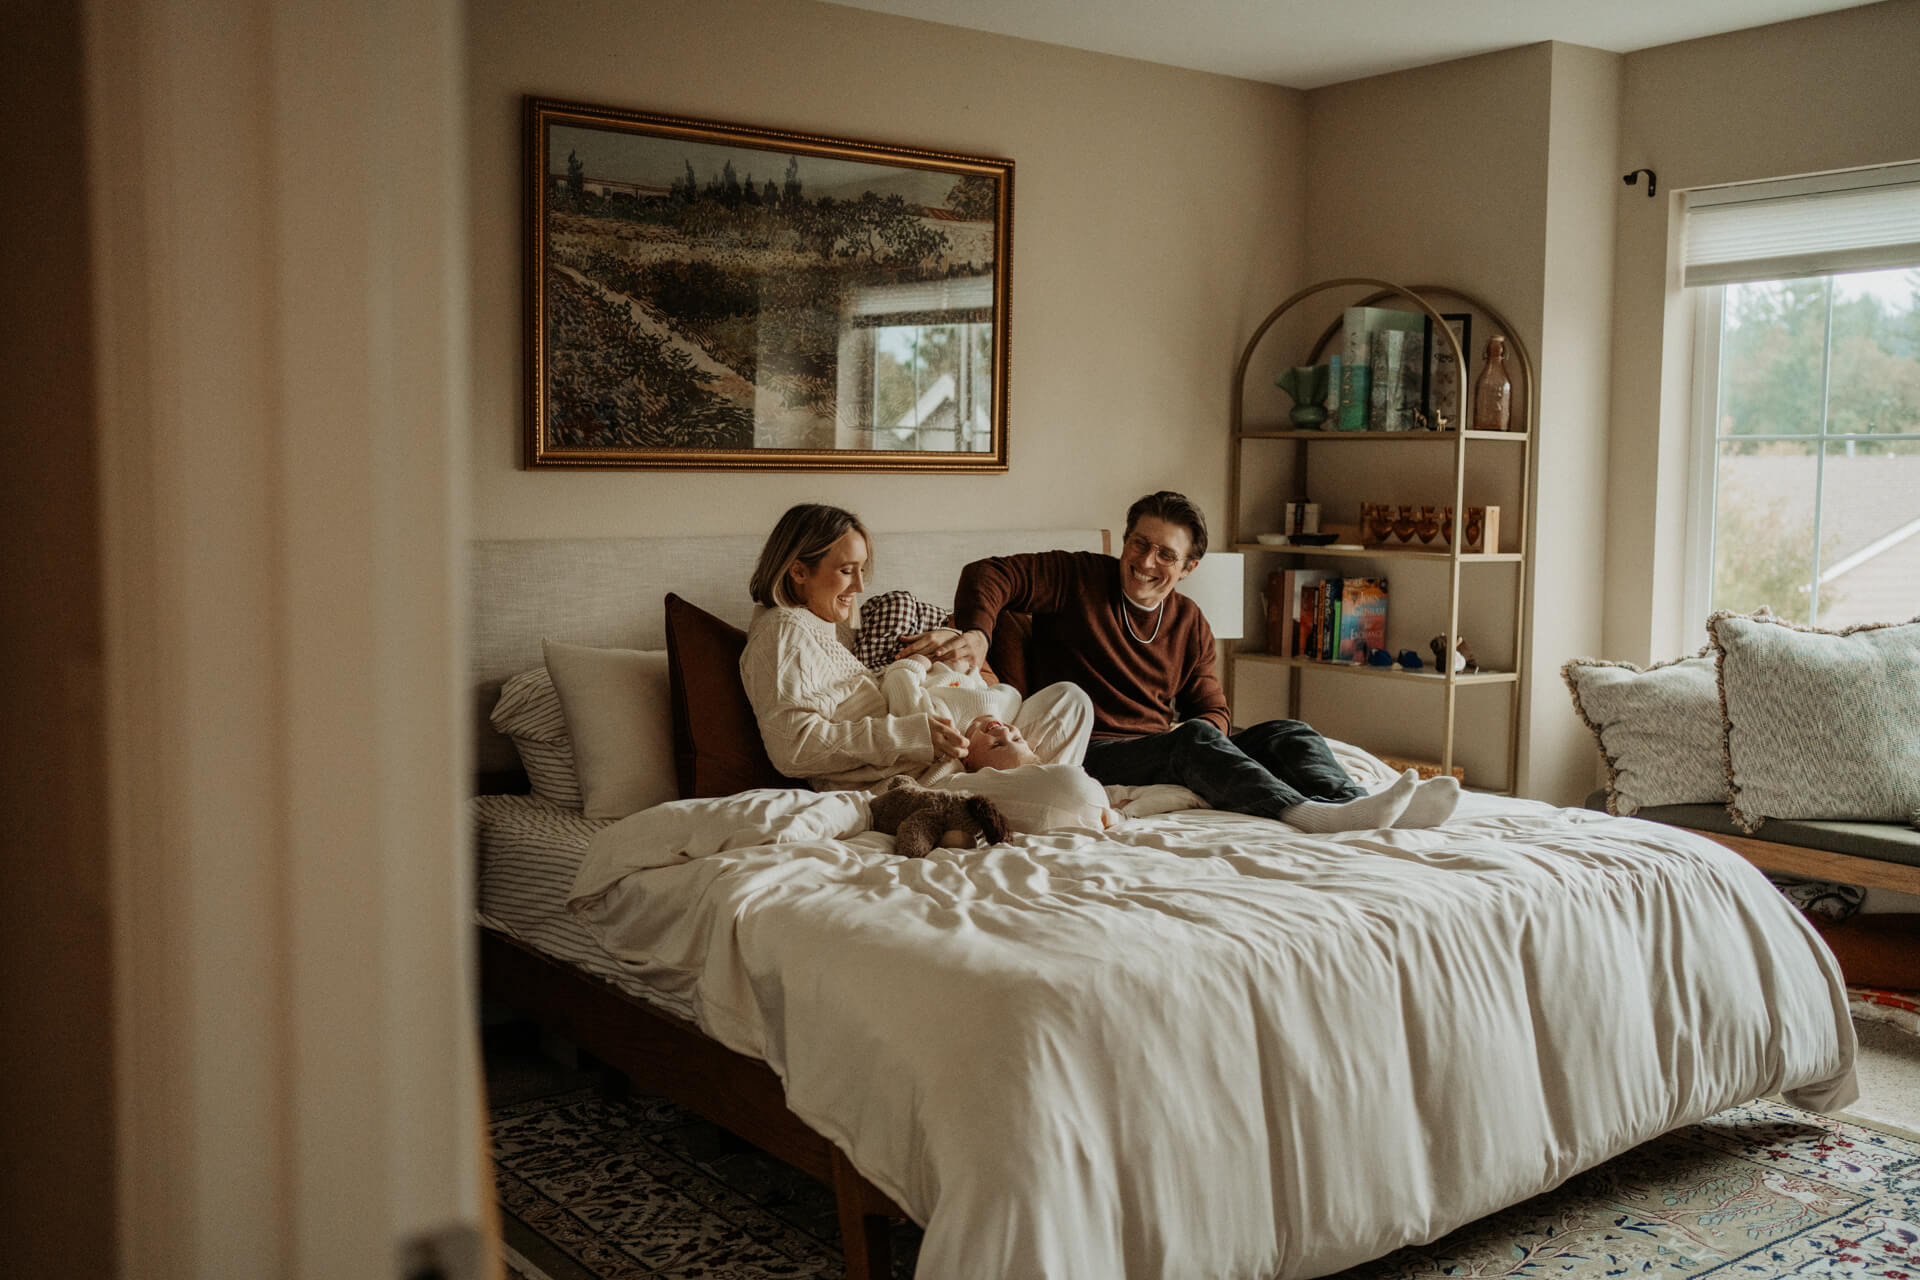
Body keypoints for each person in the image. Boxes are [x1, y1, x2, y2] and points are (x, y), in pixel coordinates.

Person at [901, 491, 1459, 832]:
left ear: (1188, 566)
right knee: (1191, 741)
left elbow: (1210, 707)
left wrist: (1215, 744)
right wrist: (976, 631)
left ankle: (1359, 805)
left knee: (1288, 732)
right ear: (1124, 542)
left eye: (1165, 553)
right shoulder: (1078, 579)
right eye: (1138, 544)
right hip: (1095, 751)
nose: (1146, 562)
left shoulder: (1190, 622)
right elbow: (989, 573)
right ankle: (1304, 814)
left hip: (1162, 748)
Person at [739, 503, 1095, 792]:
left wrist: (942, 639)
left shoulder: (829, 622)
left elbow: (884, 670)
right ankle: (1047, 797)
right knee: (1066, 787)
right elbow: (794, 749)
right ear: (799, 572)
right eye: (848, 571)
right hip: (915, 780)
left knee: (1070, 700)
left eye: (863, 569)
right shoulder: (782, 632)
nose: (860, 586)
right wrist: (915, 734)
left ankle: (1038, 790)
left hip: (954, 745)